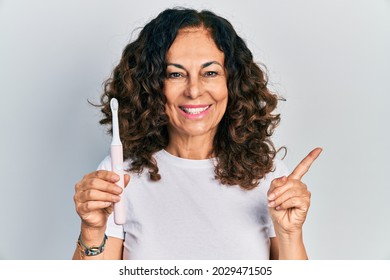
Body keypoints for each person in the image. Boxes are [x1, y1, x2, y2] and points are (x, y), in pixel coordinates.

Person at [72, 7, 322, 260]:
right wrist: (92, 232)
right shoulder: (118, 175)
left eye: (210, 73)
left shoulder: (270, 178)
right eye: (175, 74)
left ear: (232, 83)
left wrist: (290, 234)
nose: (194, 90)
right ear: (151, 86)